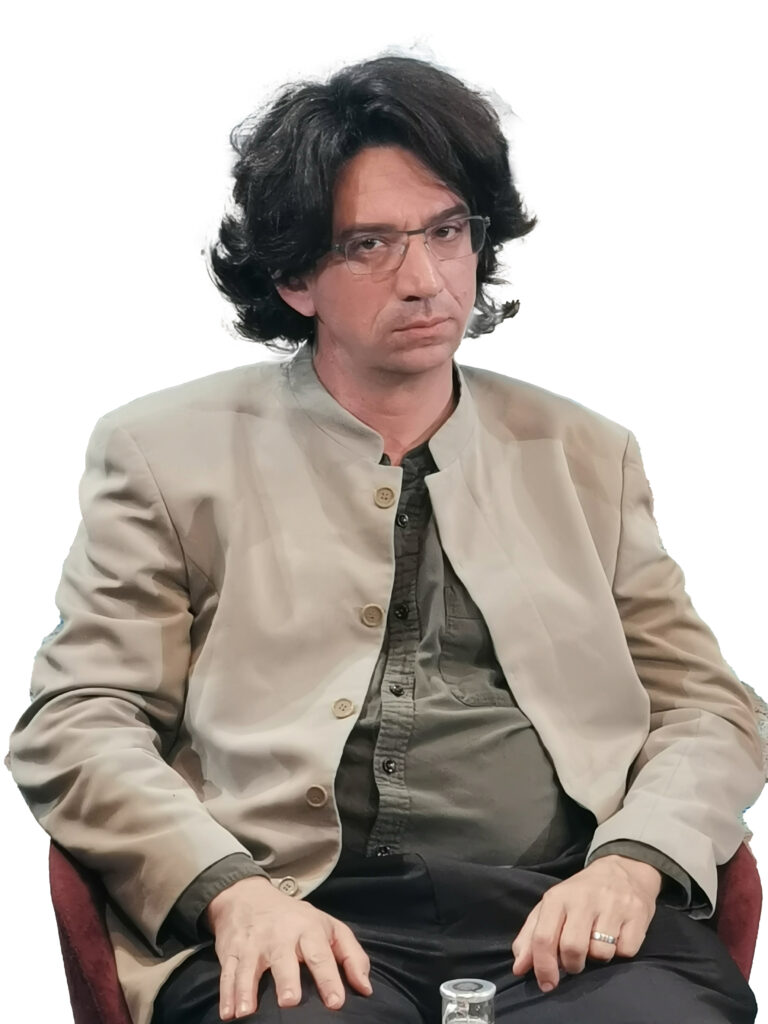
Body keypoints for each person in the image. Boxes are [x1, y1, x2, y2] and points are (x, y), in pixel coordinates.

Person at [9, 54, 764, 1024]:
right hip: (290, 909)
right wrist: (228, 892)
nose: (425, 279)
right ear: (294, 276)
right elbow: (80, 718)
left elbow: (709, 707)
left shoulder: (587, 455)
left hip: (559, 913)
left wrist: (634, 860)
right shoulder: (164, 454)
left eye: (447, 232)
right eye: (370, 244)